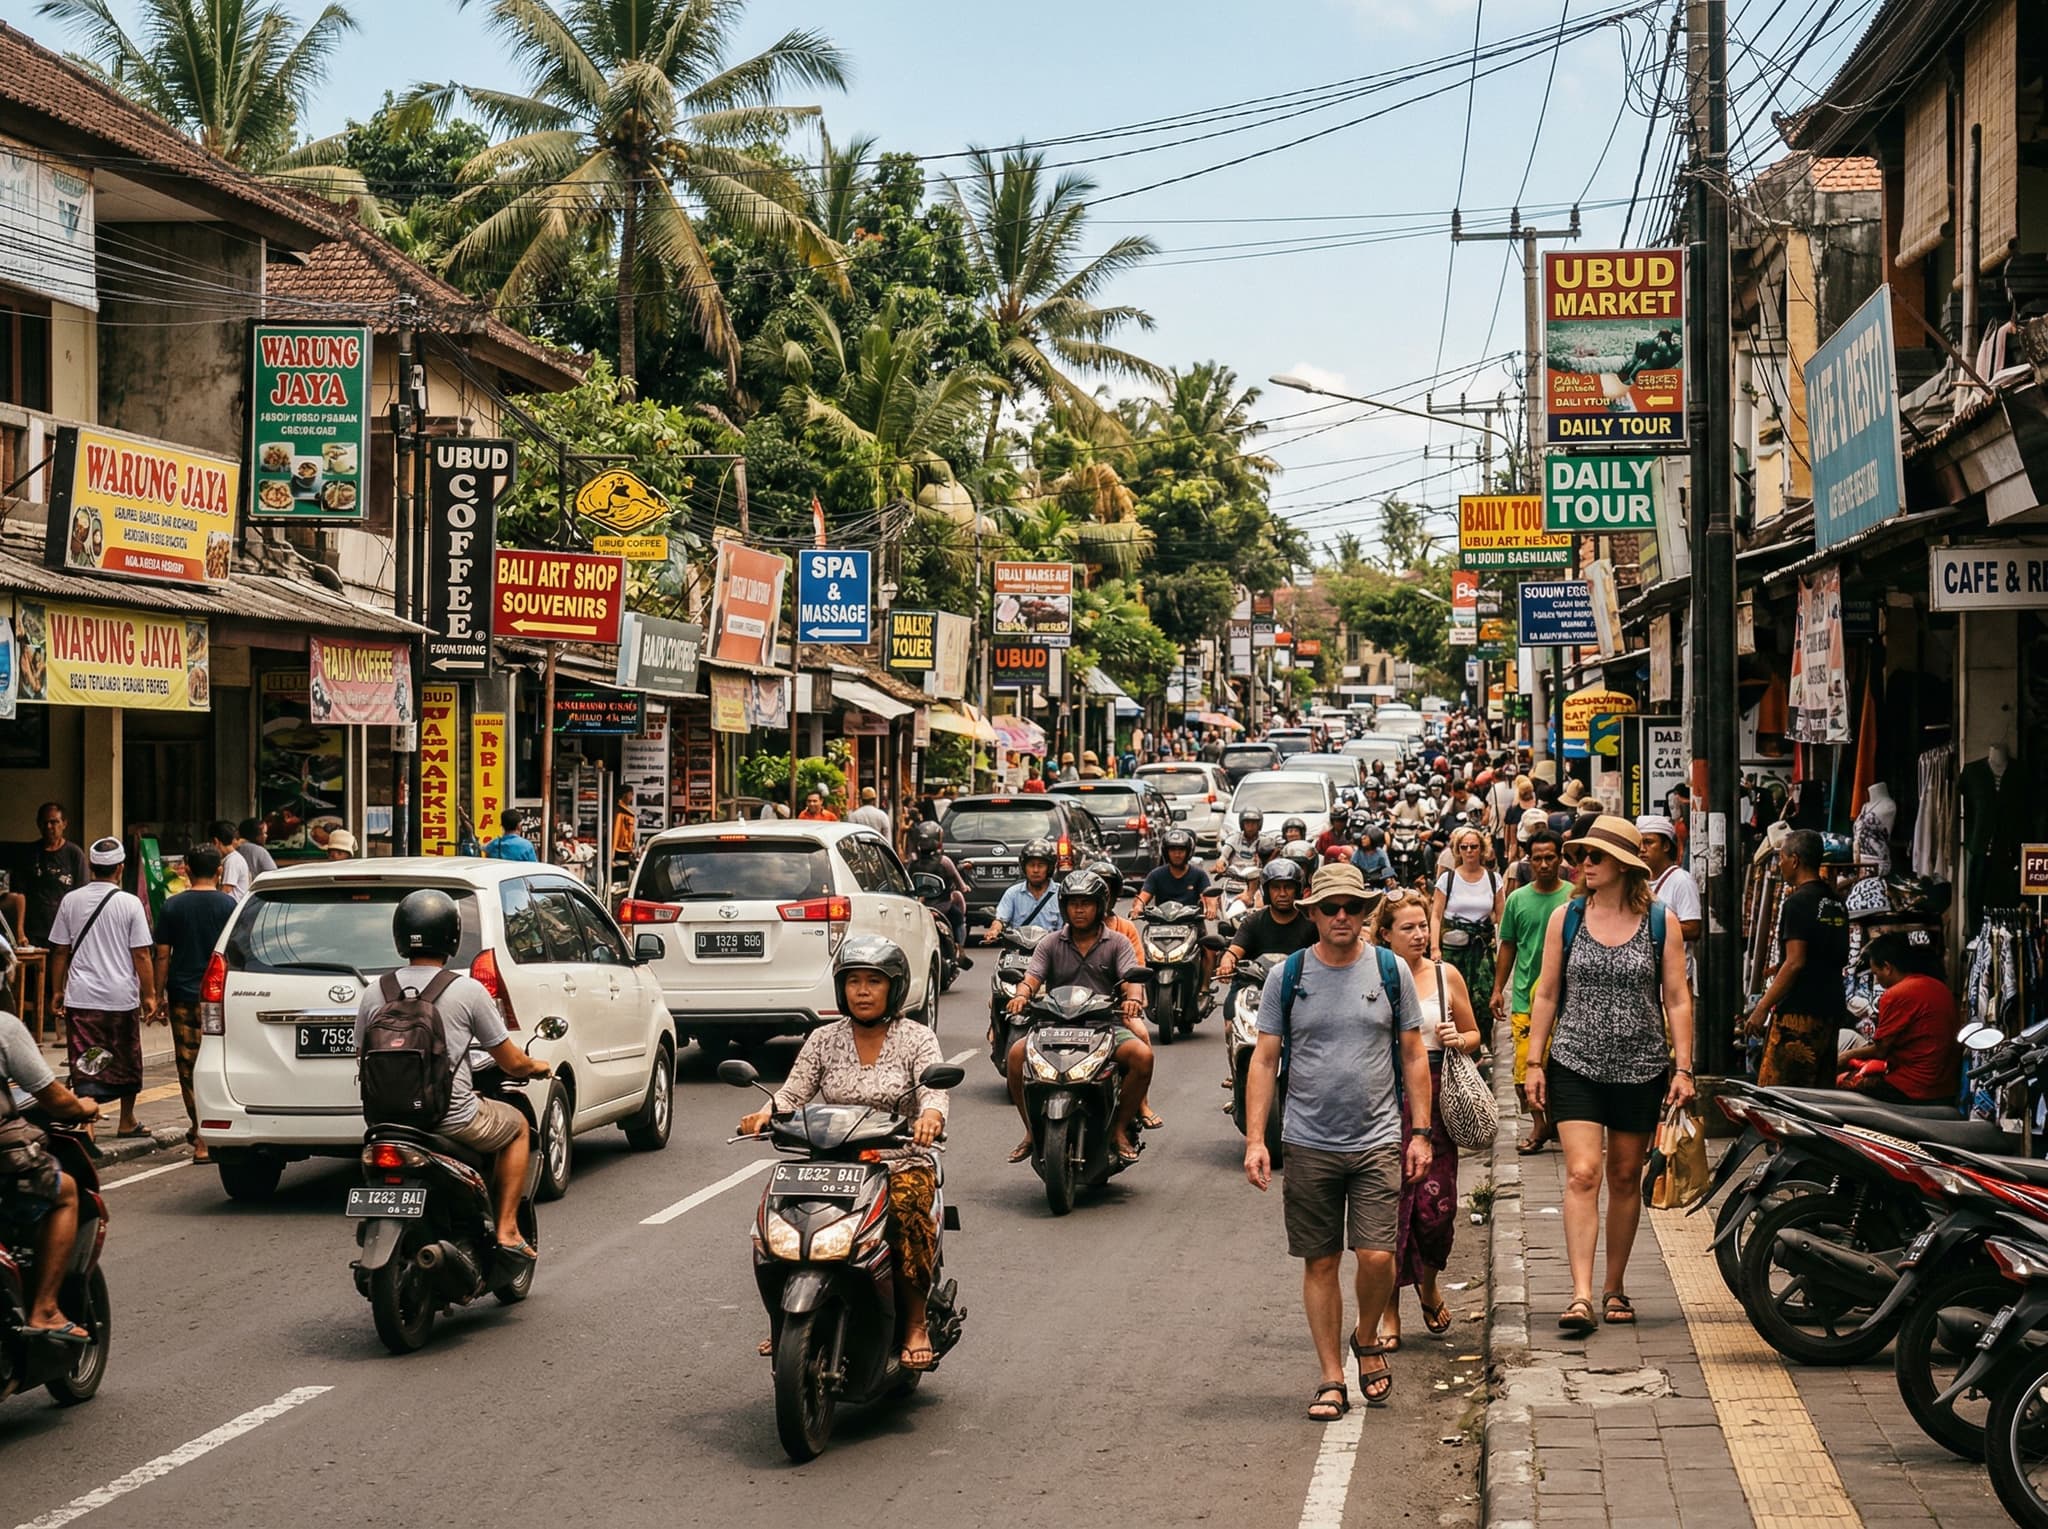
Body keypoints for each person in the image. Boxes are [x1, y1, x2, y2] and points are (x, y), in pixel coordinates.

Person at [1242, 863, 1431, 1421]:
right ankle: (1330, 1377)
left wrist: (1420, 1132)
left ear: (1366, 910)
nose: (1341, 916)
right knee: (1320, 1262)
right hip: (1307, 1142)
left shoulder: (1391, 971)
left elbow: (1414, 1054)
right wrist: (1257, 1139)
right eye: (1330, 908)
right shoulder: (1288, 976)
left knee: (1377, 1256)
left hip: (1377, 1140)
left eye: (1352, 906)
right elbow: (1265, 1058)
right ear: (1313, 914)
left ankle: (1366, 1337)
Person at [740, 936, 950, 1369]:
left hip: (898, 1160)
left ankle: (914, 1322)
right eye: (853, 981)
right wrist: (764, 1113)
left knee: (908, 1214)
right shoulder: (823, 1039)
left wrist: (930, 1116)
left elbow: (933, 1092)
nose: (863, 991)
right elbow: (793, 1092)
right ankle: (785, 1322)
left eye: (874, 981)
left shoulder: (917, 1038)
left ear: (894, 987)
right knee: (773, 1224)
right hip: (829, 1162)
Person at [1524, 817, 1695, 1335]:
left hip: (1642, 1068)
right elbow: (1547, 992)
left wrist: (1683, 1068)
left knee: (1624, 1178)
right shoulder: (1567, 917)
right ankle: (1579, 1295)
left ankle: (1614, 1286)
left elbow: (1678, 999)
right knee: (1581, 1173)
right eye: (1583, 856)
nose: (1584, 865)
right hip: (1575, 1063)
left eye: (1594, 857)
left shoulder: (1660, 921)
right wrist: (1534, 1061)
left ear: (1623, 865)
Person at [354, 889, 551, 1259]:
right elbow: (511, 1063)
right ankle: (507, 1229)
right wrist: (536, 1066)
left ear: (400, 937)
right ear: (452, 937)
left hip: (386, 1122)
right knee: (519, 1127)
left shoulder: (374, 992)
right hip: (449, 1118)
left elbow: (361, 1055)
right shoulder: (467, 990)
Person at [1374, 888, 1482, 1350]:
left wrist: (1458, 1038)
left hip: (1437, 1100)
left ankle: (1430, 1283)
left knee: (1438, 1209)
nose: (1419, 935)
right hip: (1383, 1099)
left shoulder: (1445, 976)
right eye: (1408, 928)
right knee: (1388, 1210)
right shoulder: (1374, 978)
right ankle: (1389, 1311)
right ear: (1385, 935)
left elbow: (1477, 1034)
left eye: (1423, 926)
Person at [1002, 869, 1152, 1164]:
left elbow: (1130, 978)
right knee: (1016, 1056)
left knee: (1142, 1056)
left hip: (1104, 1026)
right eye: (1073, 903)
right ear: (1064, 907)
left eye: (1086, 903)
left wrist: (1133, 998)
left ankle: (1119, 1130)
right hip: (1052, 1025)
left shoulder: (1118, 943)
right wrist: (1021, 996)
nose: (1079, 909)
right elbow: (1032, 977)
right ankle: (1031, 1132)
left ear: (1100, 906)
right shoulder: (1050, 943)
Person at [0, 1006, 100, 1339]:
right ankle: (44, 1309)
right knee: (66, 1192)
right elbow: (55, 1099)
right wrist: (84, 1107)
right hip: (5, 1159)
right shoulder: (5, 1027)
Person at [48, 838, 158, 1141]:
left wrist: (57, 990)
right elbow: (141, 954)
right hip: (120, 997)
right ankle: (126, 1120)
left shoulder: (71, 900)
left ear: (92, 867)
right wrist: (149, 995)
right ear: (120, 868)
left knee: (86, 1057)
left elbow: (59, 950)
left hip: (82, 996)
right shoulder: (130, 903)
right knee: (125, 1058)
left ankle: (89, 1123)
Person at [151, 845, 237, 1163]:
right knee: (218, 1063)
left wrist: (156, 995)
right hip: (220, 998)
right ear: (219, 872)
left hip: (183, 995)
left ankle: (201, 1136)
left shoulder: (173, 906)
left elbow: (162, 954)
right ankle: (215, 1131)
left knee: (189, 1066)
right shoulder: (231, 905)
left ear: (186, 867)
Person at [1743, 829, 1848, 1088]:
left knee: (1780, 1092)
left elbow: (1796, 961)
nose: (1780, 865)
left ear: (1795, 860)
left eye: (1781, 857)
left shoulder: (1798, 903)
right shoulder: (1836, 902)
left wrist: (1761, 1008)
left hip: (1799, 1013)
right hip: (1830, 1009)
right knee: (1820, 1094)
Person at [1493, 828, 1571, 1154]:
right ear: (1529, 860)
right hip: (1527, 997)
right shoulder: (1517, 900)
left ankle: (1564, 1123)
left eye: (1549, 858)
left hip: (1568, 998)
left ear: (1560, 858)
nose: (1543, 864)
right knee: (1526, 1066)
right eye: (1536, 858)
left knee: (1563, 1066)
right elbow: (1508, 945)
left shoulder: (1574, 897)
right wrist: (1498, 989)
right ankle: (1539, 1126)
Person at [1840, 932, 1960, 1104]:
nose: (1877, 979)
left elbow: (1881, 1050)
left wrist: (1846, 1056)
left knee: (1842, 1082)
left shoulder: (1896, 994)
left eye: (1876, 973)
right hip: (1945, 1086)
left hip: (1914, 1088)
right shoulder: (1938, 986)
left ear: (1887, 967)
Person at [1433, 825, 1505, 1020]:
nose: (1469, 851)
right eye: (1464, 847)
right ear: (1458, 850)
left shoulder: (1493, 879)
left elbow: (1501, 917)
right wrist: (1434, 948)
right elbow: (1436, 915)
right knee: (1453, 995)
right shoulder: (1448, 879)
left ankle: (1481, 1041)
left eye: (1473, 846)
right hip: (1453, 947)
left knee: (1483, 995)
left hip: (1482, 948)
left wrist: (1502, 947)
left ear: (1481, 849)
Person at [1636, 815, 1701, 971]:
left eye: (1649, 842)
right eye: (1639, 844)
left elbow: (1693, 928)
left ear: (1665, 846)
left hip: (1675, 973)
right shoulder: (1638, 880)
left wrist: (1647, 928)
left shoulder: (1681, 880)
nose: (1642, 850)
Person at [22, 802, 91, 950]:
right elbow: (20, 894)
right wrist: (20, 931)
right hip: (34, 930)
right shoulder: (30, 854)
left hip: (64, 930)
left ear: (64, 824)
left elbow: (83, 894)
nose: (49, 827)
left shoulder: (74, 854)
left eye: (54, 822)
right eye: (44, 822)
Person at [984, 838, 1065, 943]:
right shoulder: (1012, 893)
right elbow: (1000, 920)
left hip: (1051, 950)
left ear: (1049, 868)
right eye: (1031, 865)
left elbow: (1067, 928)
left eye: (1040, 865)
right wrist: (994, 931)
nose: (1035, 870)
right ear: (1024, 867)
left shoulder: (1060, 894)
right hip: (1018, 951)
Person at [909, 822, 970, 950]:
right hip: (943, 908)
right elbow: (961, 885)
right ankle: (959, 949)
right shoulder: (944, 861)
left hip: (920, 909)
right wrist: (964, 888)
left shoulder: (912, 864)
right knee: (958, 919)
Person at [1213, 808, 1267, 875]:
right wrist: (1220, 862)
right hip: (1234, 874)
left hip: (1255, 876)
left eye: (1253, 823)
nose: (1250, 827)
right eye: (1247, 823)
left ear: (1259, 824)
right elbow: (1224, 855)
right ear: (1242, 824)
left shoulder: (1264, 840)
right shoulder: (1234, 838)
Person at [210, 819, 251, 900]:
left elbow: (226, 890)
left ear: (216, 841)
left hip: (233, 908)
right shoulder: (230, 858)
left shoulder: (232, 861)